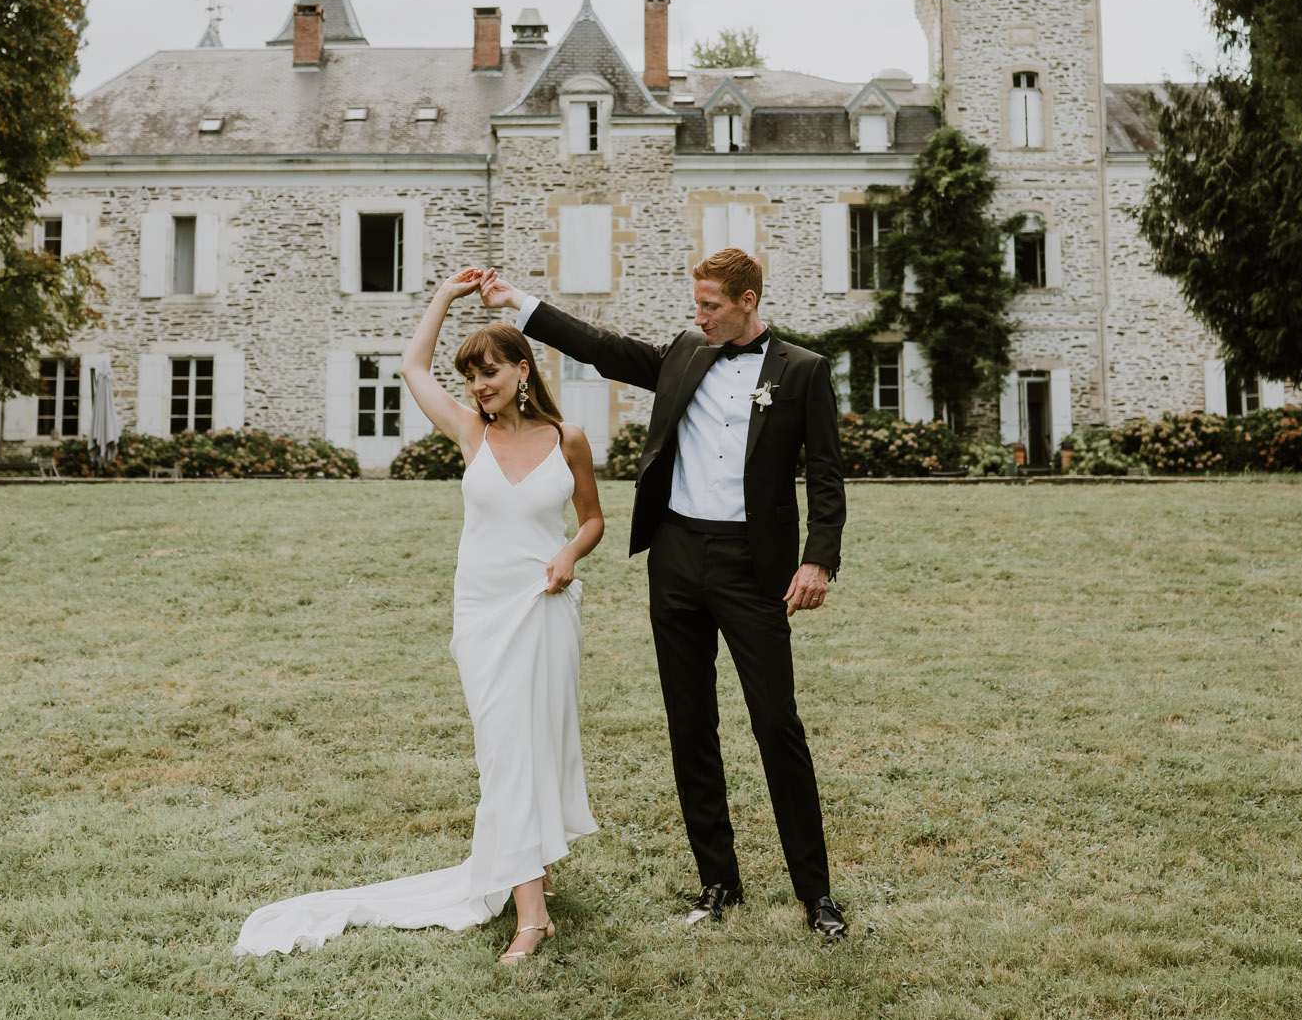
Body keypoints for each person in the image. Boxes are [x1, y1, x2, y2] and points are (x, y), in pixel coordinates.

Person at [476, 246, 848, 941]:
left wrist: (817, 561)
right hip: (675, 556)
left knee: (777, 724)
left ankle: (817, 894)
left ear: (746, 300)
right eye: (697, 303)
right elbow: (603, 349)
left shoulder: (802, 372)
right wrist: (515, 302)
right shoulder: (684, 352)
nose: (699, 315)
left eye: (711, 305)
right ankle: (718, 881)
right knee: (689, 723)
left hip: (751, 566)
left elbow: (826, 478)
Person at [233, 269, 603, 963]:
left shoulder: (568, 439)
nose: (478, 388)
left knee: (535, 745)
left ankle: (533, 888)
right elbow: (409, 366)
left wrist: (569, 555)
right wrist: (445, 297)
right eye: (469, 378)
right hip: (484, 612)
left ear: (523, 370)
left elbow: (592, 520)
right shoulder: (470, 433)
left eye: (489, 373)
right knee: (504, 748)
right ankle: (531, 913)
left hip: (546, 608)